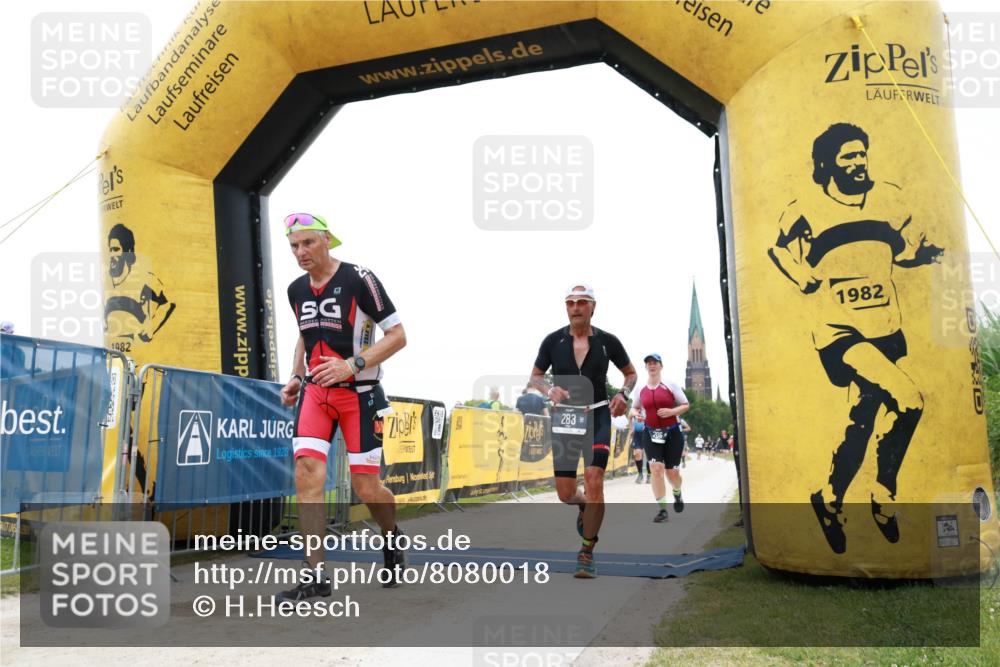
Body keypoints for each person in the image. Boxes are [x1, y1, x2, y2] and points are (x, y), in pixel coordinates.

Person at [768, 123, 942, 554]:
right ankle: (883, 496)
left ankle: (827, 500)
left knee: (860, 424)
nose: (858, 162)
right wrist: (801, 274)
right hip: (839, 332)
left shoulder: (889, 199)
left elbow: (899, 253)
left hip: (886, 328)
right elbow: (779, 249)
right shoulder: (806, 207)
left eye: (862, 153)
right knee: (910, 399)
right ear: (827, 164)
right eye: (848, 156)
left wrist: (922, 256)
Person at [277, 212, 408, 599]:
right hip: (316, 393)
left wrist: (352, 364)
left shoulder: (359, 278)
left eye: (308, 243)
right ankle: (314, 575)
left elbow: (398, 335)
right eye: (294, 246)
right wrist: (297, 376)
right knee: (306, 472)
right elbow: (304, 334)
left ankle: (391, 535)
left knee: (366, 486)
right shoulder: (295, 289)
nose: (301, 252)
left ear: (328, 241)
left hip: (360, 394)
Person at [529, 284, 636, 578]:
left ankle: (586, 550)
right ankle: (583, 506)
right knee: (565, 493)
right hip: (565, 419)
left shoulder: (607, 341)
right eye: (571, 303)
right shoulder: (553, 341)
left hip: (597, 415)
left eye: (581, 302)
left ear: (592, 307)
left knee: (594, 478)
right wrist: (550, 389)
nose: (575, 307)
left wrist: (623, 395)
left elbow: (630, 373)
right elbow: (536, 377)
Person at [633, 354, 690, 523]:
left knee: (672, 474)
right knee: (656, 469)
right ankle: (662, 509)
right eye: (648, 364)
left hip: (672, 432)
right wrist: (637, 414)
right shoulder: (640, 388)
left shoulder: (670, 385)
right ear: (646, 368)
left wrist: (672, 412)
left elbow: (686, 405)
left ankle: (677, 493)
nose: (651, 366)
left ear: (661, 366)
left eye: (654, 363)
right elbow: (634, 408)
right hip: (650, 432)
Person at [104, 223, 175, 351]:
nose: (111, 255)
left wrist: (150, 328)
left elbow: (168, 302)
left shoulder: (143, 279)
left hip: (142, 361)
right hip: (116, 361)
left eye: (116, 249)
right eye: (110, 250)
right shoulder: (107, 284)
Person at [630, 408, 648, 483]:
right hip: (637, 435)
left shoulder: (648, 407)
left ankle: (649, 475)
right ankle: (640, 474)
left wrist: (644, 419)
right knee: (637, 453)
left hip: (647, 432)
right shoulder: (634, 408)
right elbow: (629, 417)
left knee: (649, 455)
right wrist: (631, 428)